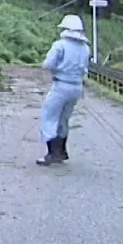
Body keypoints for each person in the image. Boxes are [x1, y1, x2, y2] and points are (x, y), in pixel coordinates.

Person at [36, 14, 91, 166]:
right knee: (64, 119)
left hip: (61, 85)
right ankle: (61, 151)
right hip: (77, 87)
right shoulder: (85, 48)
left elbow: (48, 64)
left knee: (49, 117)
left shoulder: (60, 45)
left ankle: (51, 153)